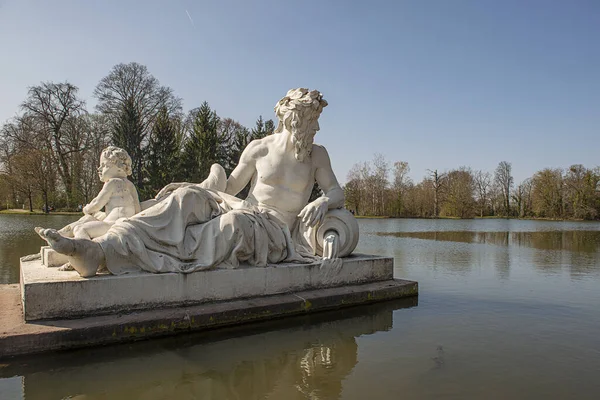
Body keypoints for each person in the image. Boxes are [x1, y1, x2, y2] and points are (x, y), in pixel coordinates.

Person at [36, 88, 356, 278]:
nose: (314, 126)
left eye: (314, 120)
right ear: (291, 117)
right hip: (242, 207)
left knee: (234, 223)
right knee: (187, 198)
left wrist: (324, 201)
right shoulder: (259, 148)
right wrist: (202, 186)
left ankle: (107, 252)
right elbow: (228, 189)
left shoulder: (316, 155)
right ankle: (101, 249)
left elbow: (335, 190)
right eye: (309, 119)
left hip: (273, 229)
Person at [56, 146, 141, 240]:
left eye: (105, 165)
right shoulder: (131, 185)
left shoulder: (112, 182)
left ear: (119, 168)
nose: (100, 169)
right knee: (88, 218)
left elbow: (97, 204)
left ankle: (83, 249)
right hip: (125, 223)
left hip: (112, 224)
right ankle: (60, 234)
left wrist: (87, 209)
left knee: (81, 228)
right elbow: (137, 210)